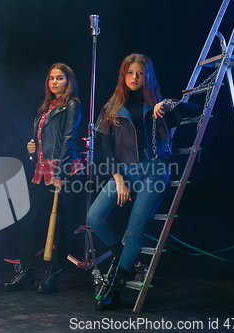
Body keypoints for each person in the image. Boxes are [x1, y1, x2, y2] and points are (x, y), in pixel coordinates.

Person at [87, 53, 202, 311]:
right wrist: (118, 180)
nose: (134, 78)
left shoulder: (158, 105)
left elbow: (198, 109)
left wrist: (170, 104)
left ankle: (112, 289)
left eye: (139, 73)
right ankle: (122, 258)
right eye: (130, 73)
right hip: (124, 172)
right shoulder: (110, 108)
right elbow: (106, 150)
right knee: (94, 217)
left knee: (135, 229)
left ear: (147, 75)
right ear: (123, 75)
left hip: (155, 171)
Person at [2, 63, 85, 294]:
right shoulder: (46, 108)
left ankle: (52, 276)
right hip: (42, 170)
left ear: (68, 81)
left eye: (60, 78)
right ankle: (27, 272)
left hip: (66, 171)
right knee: (28, 220)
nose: (55, 82)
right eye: (51, 78)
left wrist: (60, 174)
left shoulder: (72, 105)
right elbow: (44, 143)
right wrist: (32, 151)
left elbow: (69, 138)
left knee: (63, 227)